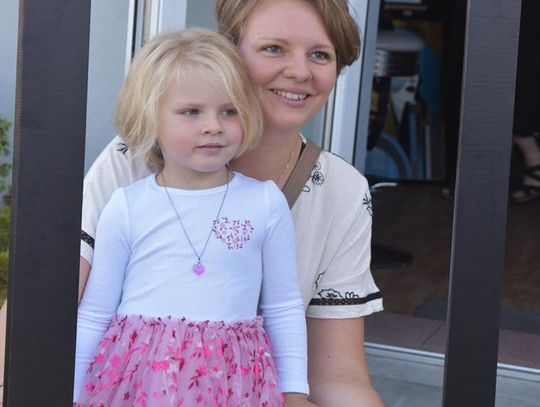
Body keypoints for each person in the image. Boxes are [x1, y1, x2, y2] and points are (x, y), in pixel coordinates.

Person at [2, 1, 384, 405]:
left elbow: (338, 375)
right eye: (273, 48)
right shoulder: (134, 160)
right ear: (230, 52)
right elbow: (46, 307)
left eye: (320, 54)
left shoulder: (339, 191)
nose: (300, 71)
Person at [74, 29, 310, 406]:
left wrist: (294, 392)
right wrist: (73, 391)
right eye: (191, 112)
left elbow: (283, 306)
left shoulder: (264, 202)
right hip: (140, 384)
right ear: (150, 118)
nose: (213, 125)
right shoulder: (127, 205)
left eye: (229, 111)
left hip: (234, 383)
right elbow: (95, 312)